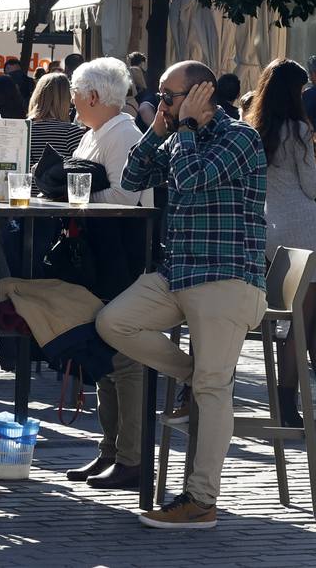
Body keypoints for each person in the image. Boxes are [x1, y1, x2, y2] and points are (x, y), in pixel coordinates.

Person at [97, 60, 268, 530]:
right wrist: (157, 130)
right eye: (161, 95)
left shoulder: (239, 138)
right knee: (114, 322)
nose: (162, 102)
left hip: (227, 277)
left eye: (169, 95)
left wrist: (186, 126)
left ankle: (200, 499)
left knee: (214, 389)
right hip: (179, 274)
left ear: (201, 94)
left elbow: (191, 182)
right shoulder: (176, 135)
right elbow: (130, 182)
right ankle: (197, 375)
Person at [246, 59, 316, 430]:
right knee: (303, 320)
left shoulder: (255, 129)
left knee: (314, 314)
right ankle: (290, 405)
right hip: (304, 227)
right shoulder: (296, 130)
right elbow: (311, 187)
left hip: (271, 226)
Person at [62, 58, 151, 490]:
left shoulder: (124, 134)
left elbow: (125, 197)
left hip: (122, 258)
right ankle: (111, 451)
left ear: (93, 97)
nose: (73, 103)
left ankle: (131, 457)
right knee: (104, 357)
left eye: (77, 95)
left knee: (124, 358)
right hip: (99, 257)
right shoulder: (95, 133)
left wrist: (74, 195)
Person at [26, 72, 85, 167]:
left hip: (23, 182)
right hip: (59, 182)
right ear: (66, 99)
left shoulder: (23, 130)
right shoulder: (72, 132)